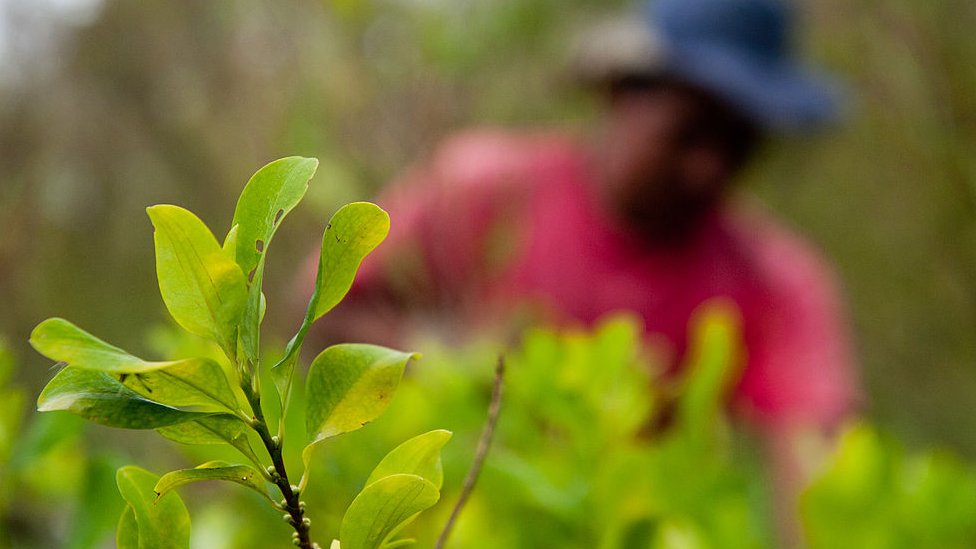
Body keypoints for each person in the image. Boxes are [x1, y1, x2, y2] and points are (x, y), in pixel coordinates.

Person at [314, 0, 859, 543]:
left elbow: (814, 478)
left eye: (739, 144)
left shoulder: (774, 281)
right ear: (622, 91)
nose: (709, 169)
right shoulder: (482, 191)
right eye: (688, 134)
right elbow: (323, 304)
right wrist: (452, 370)